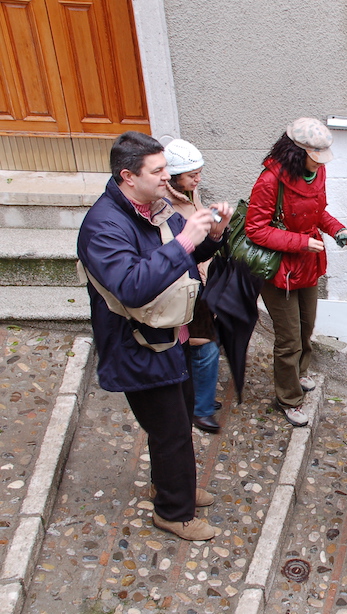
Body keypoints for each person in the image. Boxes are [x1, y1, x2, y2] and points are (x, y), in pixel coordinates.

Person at [76, 131, 231, 541]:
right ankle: (174, 513)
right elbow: (131, 287)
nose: (167, 176)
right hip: (138, 347)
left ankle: (172, 487)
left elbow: (187, 254)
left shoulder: (154, 208)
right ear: (128, 176)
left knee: (176, 425)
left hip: (170, 339)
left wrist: (213, 235)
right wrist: (185, 240)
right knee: (172, 432)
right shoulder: (103, 226)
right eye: (158, 170)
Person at [246, 117, 347, 427]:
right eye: (315, 157)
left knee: (306, 327)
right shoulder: (269, 181)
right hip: (279, 271)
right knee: (288, 338)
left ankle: (300, 373)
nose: (320, 163)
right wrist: (301, 242)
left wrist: (339, 231)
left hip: (308, 265)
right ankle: (288, 398)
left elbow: (319, 213)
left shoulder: (318, 171)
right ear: (296, 152)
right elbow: (255, 230)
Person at [162, 138, 223, 433]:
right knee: (204, 348)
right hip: (186, 284)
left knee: (205, 344)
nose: (198, 179)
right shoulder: (165, 204)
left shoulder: (189, 193)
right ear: (174, 176)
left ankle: (200, 397)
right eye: (192, 175)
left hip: (202, 279)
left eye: (199, 173)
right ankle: (201, 409)